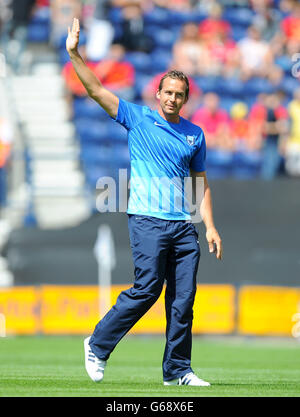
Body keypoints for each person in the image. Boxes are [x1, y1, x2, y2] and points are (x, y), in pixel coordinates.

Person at [66, 18, 222, 387]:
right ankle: (98, 344)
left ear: (186, 98)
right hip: (148, 221)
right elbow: (95, 90)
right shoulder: (137, 118)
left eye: (179, 95)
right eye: (167, 92)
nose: (172, 98)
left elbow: (200, 182)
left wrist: (210, 225)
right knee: (148, 288)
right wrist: (74, 53)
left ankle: (177, 371)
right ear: (158, 94)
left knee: (183, 301)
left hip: (183, 227)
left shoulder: (194, 134)